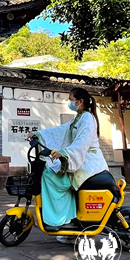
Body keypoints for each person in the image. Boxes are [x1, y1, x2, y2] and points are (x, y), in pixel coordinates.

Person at [27, 87, 108, 230]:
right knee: (52, 172)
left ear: (80, 101)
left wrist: (65, 153)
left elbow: (82, 142)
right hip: (81, 159)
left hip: (88, 163)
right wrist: (38, 134)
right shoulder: (79, 118)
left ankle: (62, 219)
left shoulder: (87, 118)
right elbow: (60, 130)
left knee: (50, 176)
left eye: (71, 99)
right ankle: (67, 216)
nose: (69, 102)